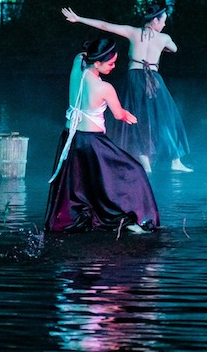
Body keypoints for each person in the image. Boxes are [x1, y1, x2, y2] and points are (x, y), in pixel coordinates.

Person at [45, 38, 160, 233]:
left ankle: (100, 218)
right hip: (92, 143)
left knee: (83, 184)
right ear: (96, 62)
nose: (114, 66)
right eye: (110, 63)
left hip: (71, 139)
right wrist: (128, 116)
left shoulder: (76, 68)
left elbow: (81, 55)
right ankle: (134, 218)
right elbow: (118, 114)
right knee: (134, 172)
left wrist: (92, 49)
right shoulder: (104, 88)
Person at [62, 6, 191, 173]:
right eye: (163, 21)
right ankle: (175, 160)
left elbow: (105, 26)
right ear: (155, 20)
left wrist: (79, 18)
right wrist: (161, 45)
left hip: (135, 78)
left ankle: (145, 161)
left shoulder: (133, 32)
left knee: (138, 117)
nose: (164, 24)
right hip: (153, 78)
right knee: (166, 117)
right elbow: (174, 48)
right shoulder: (164, 38)